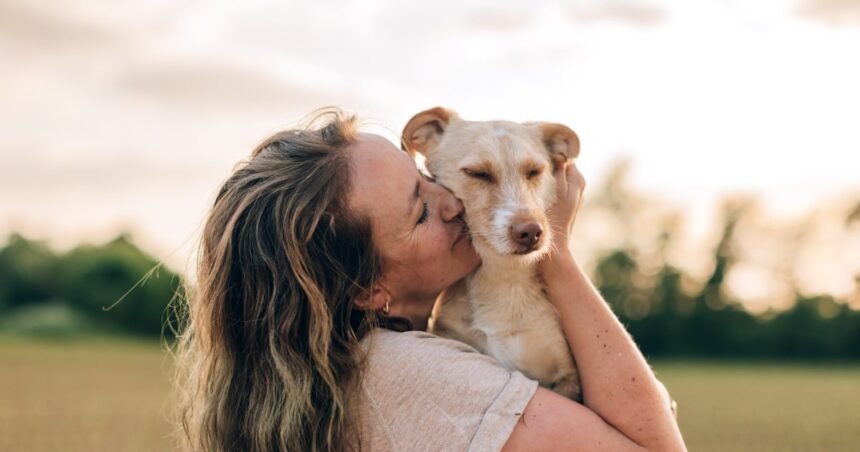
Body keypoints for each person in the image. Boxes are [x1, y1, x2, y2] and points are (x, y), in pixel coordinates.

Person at [174, 109, 686, 452]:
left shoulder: (353, 360)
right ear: (367, 289)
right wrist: (559, 253)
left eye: (427, 180)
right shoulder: (408, 372)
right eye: (421, 211)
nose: (453, 204)